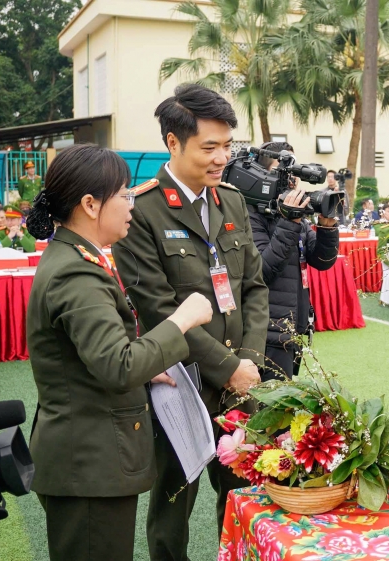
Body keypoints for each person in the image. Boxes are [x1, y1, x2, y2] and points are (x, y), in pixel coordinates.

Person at [24, 144, 214, 561]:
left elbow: (92, 355)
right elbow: (117, 365)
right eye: (124, 195)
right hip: (89, 465)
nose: (132, 204)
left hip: (88, 460)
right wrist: (179, 322)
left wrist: (150, 368)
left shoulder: (77, 257)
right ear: (90, 204)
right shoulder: (75, 271)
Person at [111, 83, 270, 561]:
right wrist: (227, 365)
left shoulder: (232, 202)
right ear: (173, 143)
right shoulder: (142, 211)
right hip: (180, 382)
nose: (222, 158)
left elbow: (254, 290)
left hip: (242, 381)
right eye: (209, 147)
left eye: (227, 146)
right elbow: (158, 309)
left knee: (245, 493)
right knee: (173, 505)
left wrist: (250, 363)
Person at [248, 141, 339, 378]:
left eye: (294, 174)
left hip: (291, 327)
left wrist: (327, 228)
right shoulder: (249, 213)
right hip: (265, 333)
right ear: (264, 175)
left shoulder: (293, 214)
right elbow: (262, 272)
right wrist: (289, 221)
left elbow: (321, 260)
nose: (292, 180)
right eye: (285, 172)